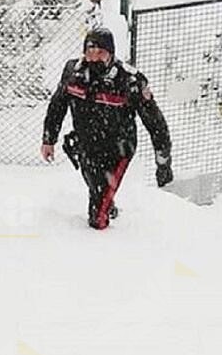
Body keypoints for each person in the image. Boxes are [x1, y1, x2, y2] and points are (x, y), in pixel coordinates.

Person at [41, 27, 173, 230]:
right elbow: (57, 105)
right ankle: (107, 202)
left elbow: (155, 123)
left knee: (97, 217)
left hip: (118, 149)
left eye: (100, 52)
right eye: (89, 52)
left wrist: (163, 162)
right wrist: (49, 140)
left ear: (111, 54)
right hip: (86, 144)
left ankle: (100, 245)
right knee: (96, 187)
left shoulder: (129, 81)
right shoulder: (73, 73)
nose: (93, 58)